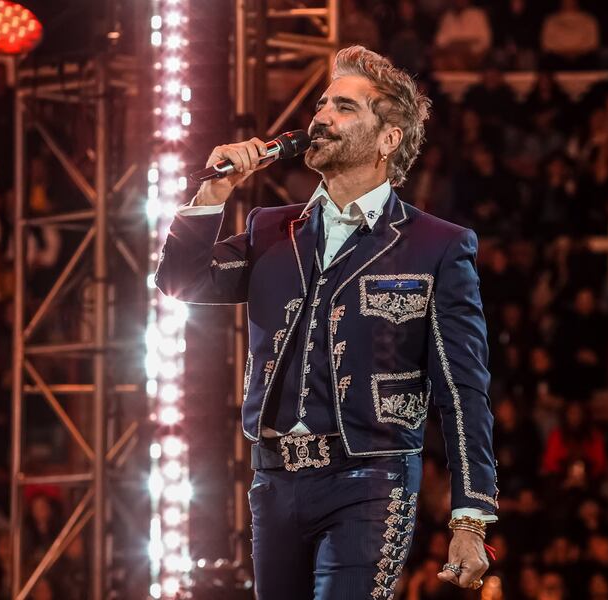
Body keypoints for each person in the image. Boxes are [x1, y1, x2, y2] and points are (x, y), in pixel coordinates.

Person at [156, 46, 497, 598]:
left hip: (370, 476)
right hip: (274, 479)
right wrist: (214, 191)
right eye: (321, 105)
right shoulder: (272, 228)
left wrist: (470, 518)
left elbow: (463, 389)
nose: (320, 118)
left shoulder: (436, 245)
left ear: (389, 138)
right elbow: (180, 281)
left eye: (344, 107)